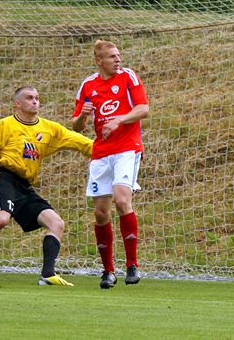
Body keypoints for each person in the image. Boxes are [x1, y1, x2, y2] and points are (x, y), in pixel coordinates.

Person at [0, 86, 93, 286]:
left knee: (56, 224)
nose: (35, 101)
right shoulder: (4, 126)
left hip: (25, 186)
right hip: (3, 179)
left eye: (37, 98)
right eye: (29, 98)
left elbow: (81, 142)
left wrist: (114, 151)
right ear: (17, 103)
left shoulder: (49, 128)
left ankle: (47, 275)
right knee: (1, 219)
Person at [73, 40, 149, 289]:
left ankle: (132, 265)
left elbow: (143, 109)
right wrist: (83, 116)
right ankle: (108, 271)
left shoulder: (128, 77)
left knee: (122, 200)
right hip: (101, 153)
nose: (118, 60)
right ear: (99, 60)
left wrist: (119, 121)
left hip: (127, 149)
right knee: (100, 213)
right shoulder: (88, 85)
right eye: (112, 57)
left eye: (118, 55)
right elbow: (76, 126)